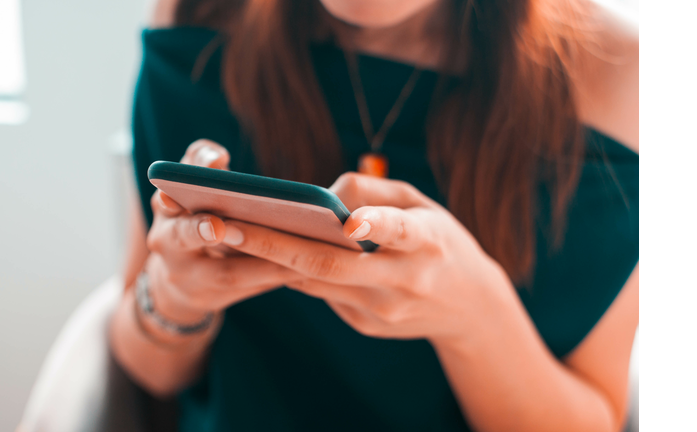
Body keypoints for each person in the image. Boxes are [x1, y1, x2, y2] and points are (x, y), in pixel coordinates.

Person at [109, 0, 639, 430]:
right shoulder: (198, 16)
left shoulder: (619, 77)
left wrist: (476, 315)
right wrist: (174, 300)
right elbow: (146, 367)